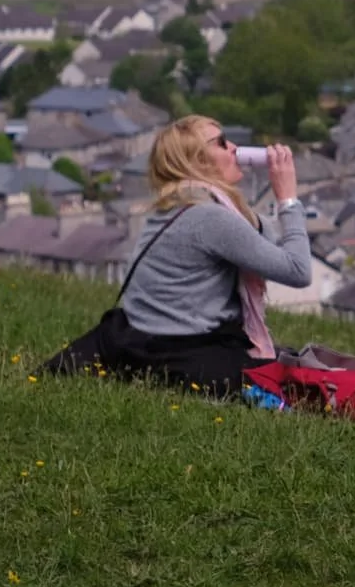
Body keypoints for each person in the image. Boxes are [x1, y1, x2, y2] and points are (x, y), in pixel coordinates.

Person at [45, 117, 312, 395]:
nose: (233, 147)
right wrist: (288, 199)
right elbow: (297, 269)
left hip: (143, 342)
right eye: (221, 143)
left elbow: (261, 240)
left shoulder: (179, 206)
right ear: (196, 162)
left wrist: (247, 209)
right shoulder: (210, 217)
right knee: (297, 386)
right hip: (187, 351)